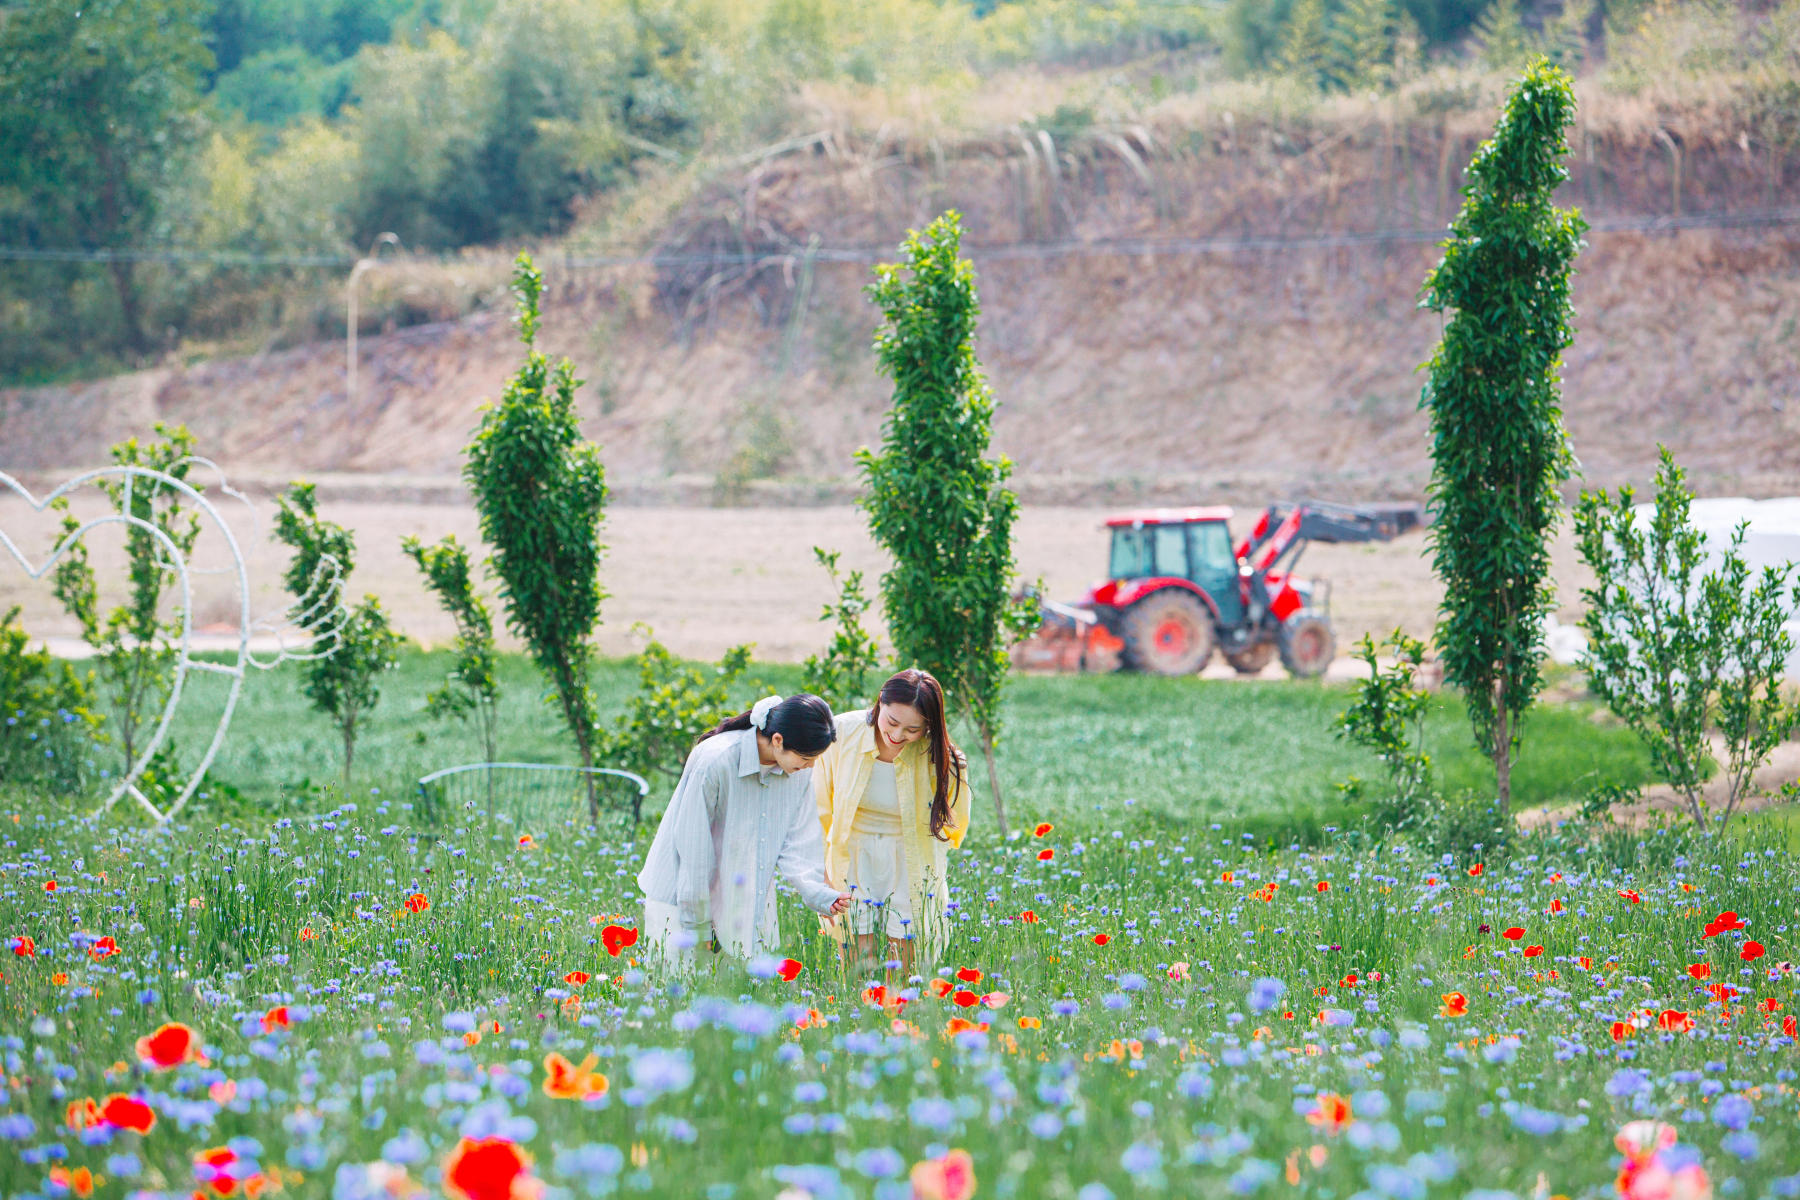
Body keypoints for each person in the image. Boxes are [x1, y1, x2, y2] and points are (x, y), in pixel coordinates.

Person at [637, 694, 851, 967]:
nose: (810, 766)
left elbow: (799, 840)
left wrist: (818, 893)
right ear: (778, 740)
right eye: (807, 757)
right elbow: (693, 849)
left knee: (736, 1002)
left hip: (744, 898)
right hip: (682, 900)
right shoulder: (716, 760)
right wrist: (699, 924)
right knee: (677, 998)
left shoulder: (797, 771)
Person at [814, 669, 971, 978]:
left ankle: (900, 1025)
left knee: (903, 967)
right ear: (880, 703)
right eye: (892, 722)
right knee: (858, 963)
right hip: (853, 856)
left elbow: (955, 822)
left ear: (929, 726)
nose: (898, 736)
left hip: (909, 857)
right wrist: (823, 873)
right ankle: (858, 1022)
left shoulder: (941, 756)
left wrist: (954, 772)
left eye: (913, 729)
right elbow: (818, 806)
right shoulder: (843, 732)